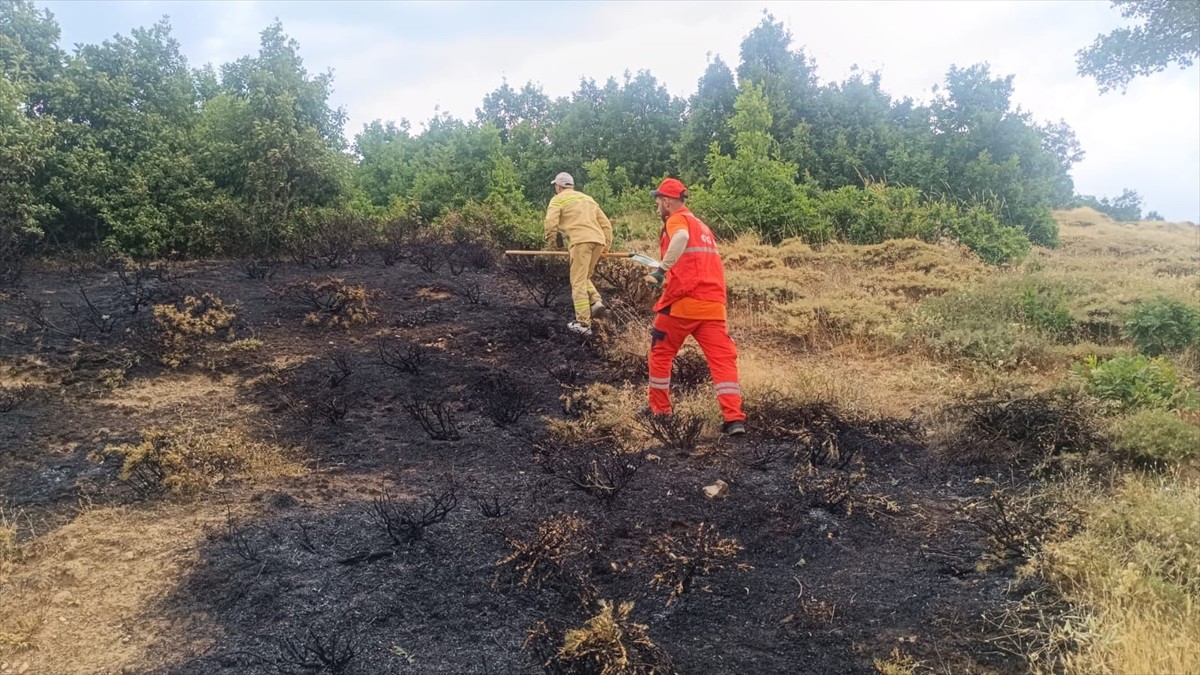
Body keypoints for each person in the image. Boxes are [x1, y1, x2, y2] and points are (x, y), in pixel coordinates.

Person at [644, 177, 747, 436]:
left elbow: (679, 237)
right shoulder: (703, 225)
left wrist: (660, 270)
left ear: (668, 201)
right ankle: (734, 419)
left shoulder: (677, 220)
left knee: (660, 352)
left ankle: (660, 413)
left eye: (658, 202)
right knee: (723, 361)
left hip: (682, 304)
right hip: (713, 306)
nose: (657, 206)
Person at [544, 172, 614, 336]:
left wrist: (553, 242)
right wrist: (605, 248)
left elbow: (550, 222)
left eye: (556, 186)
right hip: (598, 241)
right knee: (583, 277)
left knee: (577, 282)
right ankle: (596, 302)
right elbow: (606, 225)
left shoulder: (558, 199)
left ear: (559, 187)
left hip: (580, 242)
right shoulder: (587, 199)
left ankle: (583, 323)